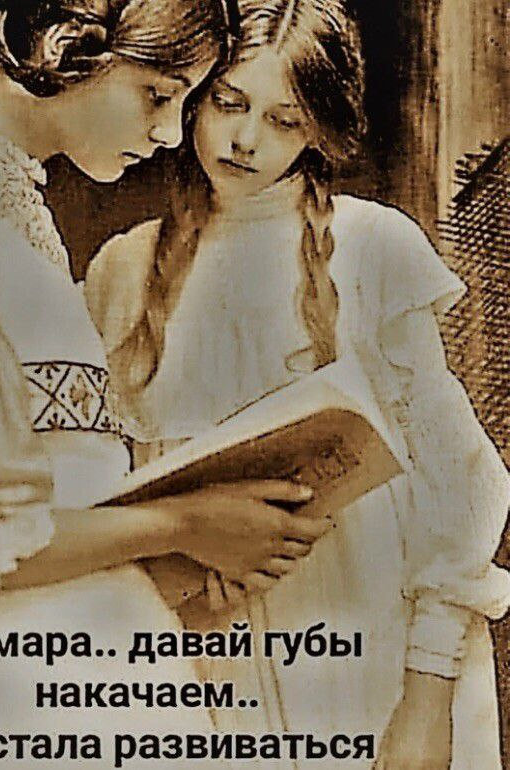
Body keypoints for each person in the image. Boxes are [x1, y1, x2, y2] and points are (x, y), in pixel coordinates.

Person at [0, 2, 330, 766]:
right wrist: (183, 523)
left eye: (185, 102)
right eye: (158, 95)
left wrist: (183, 563)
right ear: (65, 46)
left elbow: (51, 498)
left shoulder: (7, 205)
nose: (171, 133)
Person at [85, 0, 510, 767]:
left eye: (284, 120)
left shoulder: (373, 247)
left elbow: (463, 478)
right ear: (192, 97)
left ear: (317, 129)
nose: (246, 140)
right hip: (201, 664)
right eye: (230, 104)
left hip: (369, 652)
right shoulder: (122, 269)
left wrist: (428, 692)